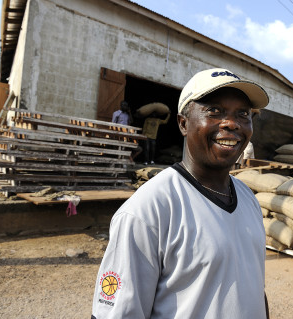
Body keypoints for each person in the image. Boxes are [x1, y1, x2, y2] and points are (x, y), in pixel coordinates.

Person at [92, 68, 270, 318]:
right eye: (214, 111)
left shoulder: (248, 199)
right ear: (183, 123)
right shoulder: (148, 211)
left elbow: (254, 289)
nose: (232, 123)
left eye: (243, 114)